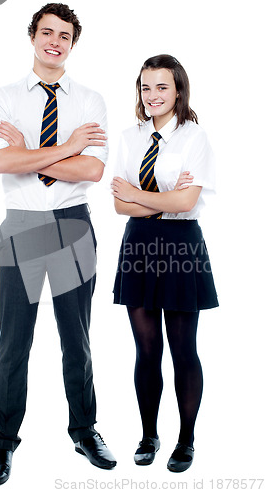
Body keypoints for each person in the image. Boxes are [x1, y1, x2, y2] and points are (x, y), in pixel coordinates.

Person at [0, 3, 116, 486]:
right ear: (33, 37)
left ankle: (84, 430)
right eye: (47, 32)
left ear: (73, 44)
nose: (55, 41)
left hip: (72, 225)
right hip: (21, 225)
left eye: (64, 35)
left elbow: (94, 171)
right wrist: (67, 147)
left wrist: (29, 153)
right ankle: (2, 440)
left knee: (76, 339)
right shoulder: (4, 97)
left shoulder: (90, 101)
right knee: (13, 343)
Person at [111, 54, 218, 473]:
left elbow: (187, 202)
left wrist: (140, 196)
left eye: (161, 87)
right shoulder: (129, 137)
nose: (152, 95)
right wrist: (155, 201)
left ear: (178, 90)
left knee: (182, 347)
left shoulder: (194, 137)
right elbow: (119, 205)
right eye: (145, 87)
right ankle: (148, 434)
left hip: (180, 246)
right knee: (146, 349)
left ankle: (186, 440)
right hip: (138, 245)